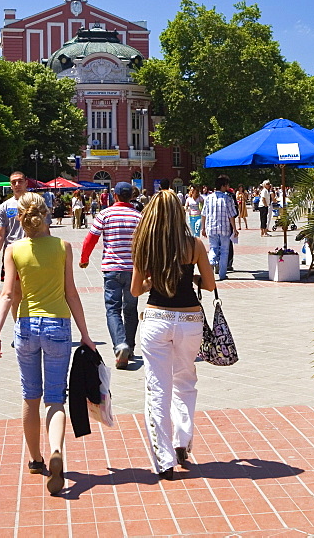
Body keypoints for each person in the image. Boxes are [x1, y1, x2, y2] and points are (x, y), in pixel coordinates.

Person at [0, 192, 95, 496]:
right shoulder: (63, 247)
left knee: (29, 397)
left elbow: (8, 295)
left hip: (25, 326)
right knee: (55, 399)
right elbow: (71, 293)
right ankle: (57, 450)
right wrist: (85, 334)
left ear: (18, 217)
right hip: (58, 326)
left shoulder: (14, 250)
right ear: (47, 214)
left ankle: (36, 459)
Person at [130, 190, 215, 480]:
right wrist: (190, 277)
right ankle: (182, 441)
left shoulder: (145, 246)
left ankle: (164, 460)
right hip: (190, 319)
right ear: (180, 213)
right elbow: (210, 284)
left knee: (158, 388)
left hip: (157, 318)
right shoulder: (194, 245)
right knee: (185, 380)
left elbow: (135, 290)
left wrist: (154, 280)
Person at [79, 181, 142, 369]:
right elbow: (146, 243)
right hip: (133, 270)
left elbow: (90, 238)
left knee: (113, 309)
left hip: (112, 269)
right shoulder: (139, 216)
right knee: (130, 309)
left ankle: (120, 344)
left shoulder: (105, 214)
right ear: (131, 196)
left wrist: (84, 258)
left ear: (114, 196)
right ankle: (129, 347)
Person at [0, 171, 29, 282]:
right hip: (12, 253)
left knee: (33, 291)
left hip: (33, 252)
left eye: (20, 181)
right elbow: (0, 233)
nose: (17, 184)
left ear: (26, 183)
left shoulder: (36, 203)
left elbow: (45, 230)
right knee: (13, 292)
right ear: (11, 186)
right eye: (14, 182)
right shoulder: (4, 207)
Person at [201, 174, 237, 281]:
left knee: (213, 248)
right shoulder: (227, 198)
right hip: (224, 228)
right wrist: (234, 229)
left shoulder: (208, 198)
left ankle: (211, 261)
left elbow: (204, 214)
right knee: (225, 251)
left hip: (211, 228)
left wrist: (203, 228)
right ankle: (222, 274)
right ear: (223, 185)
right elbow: (231, 215)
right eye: (227, 185)